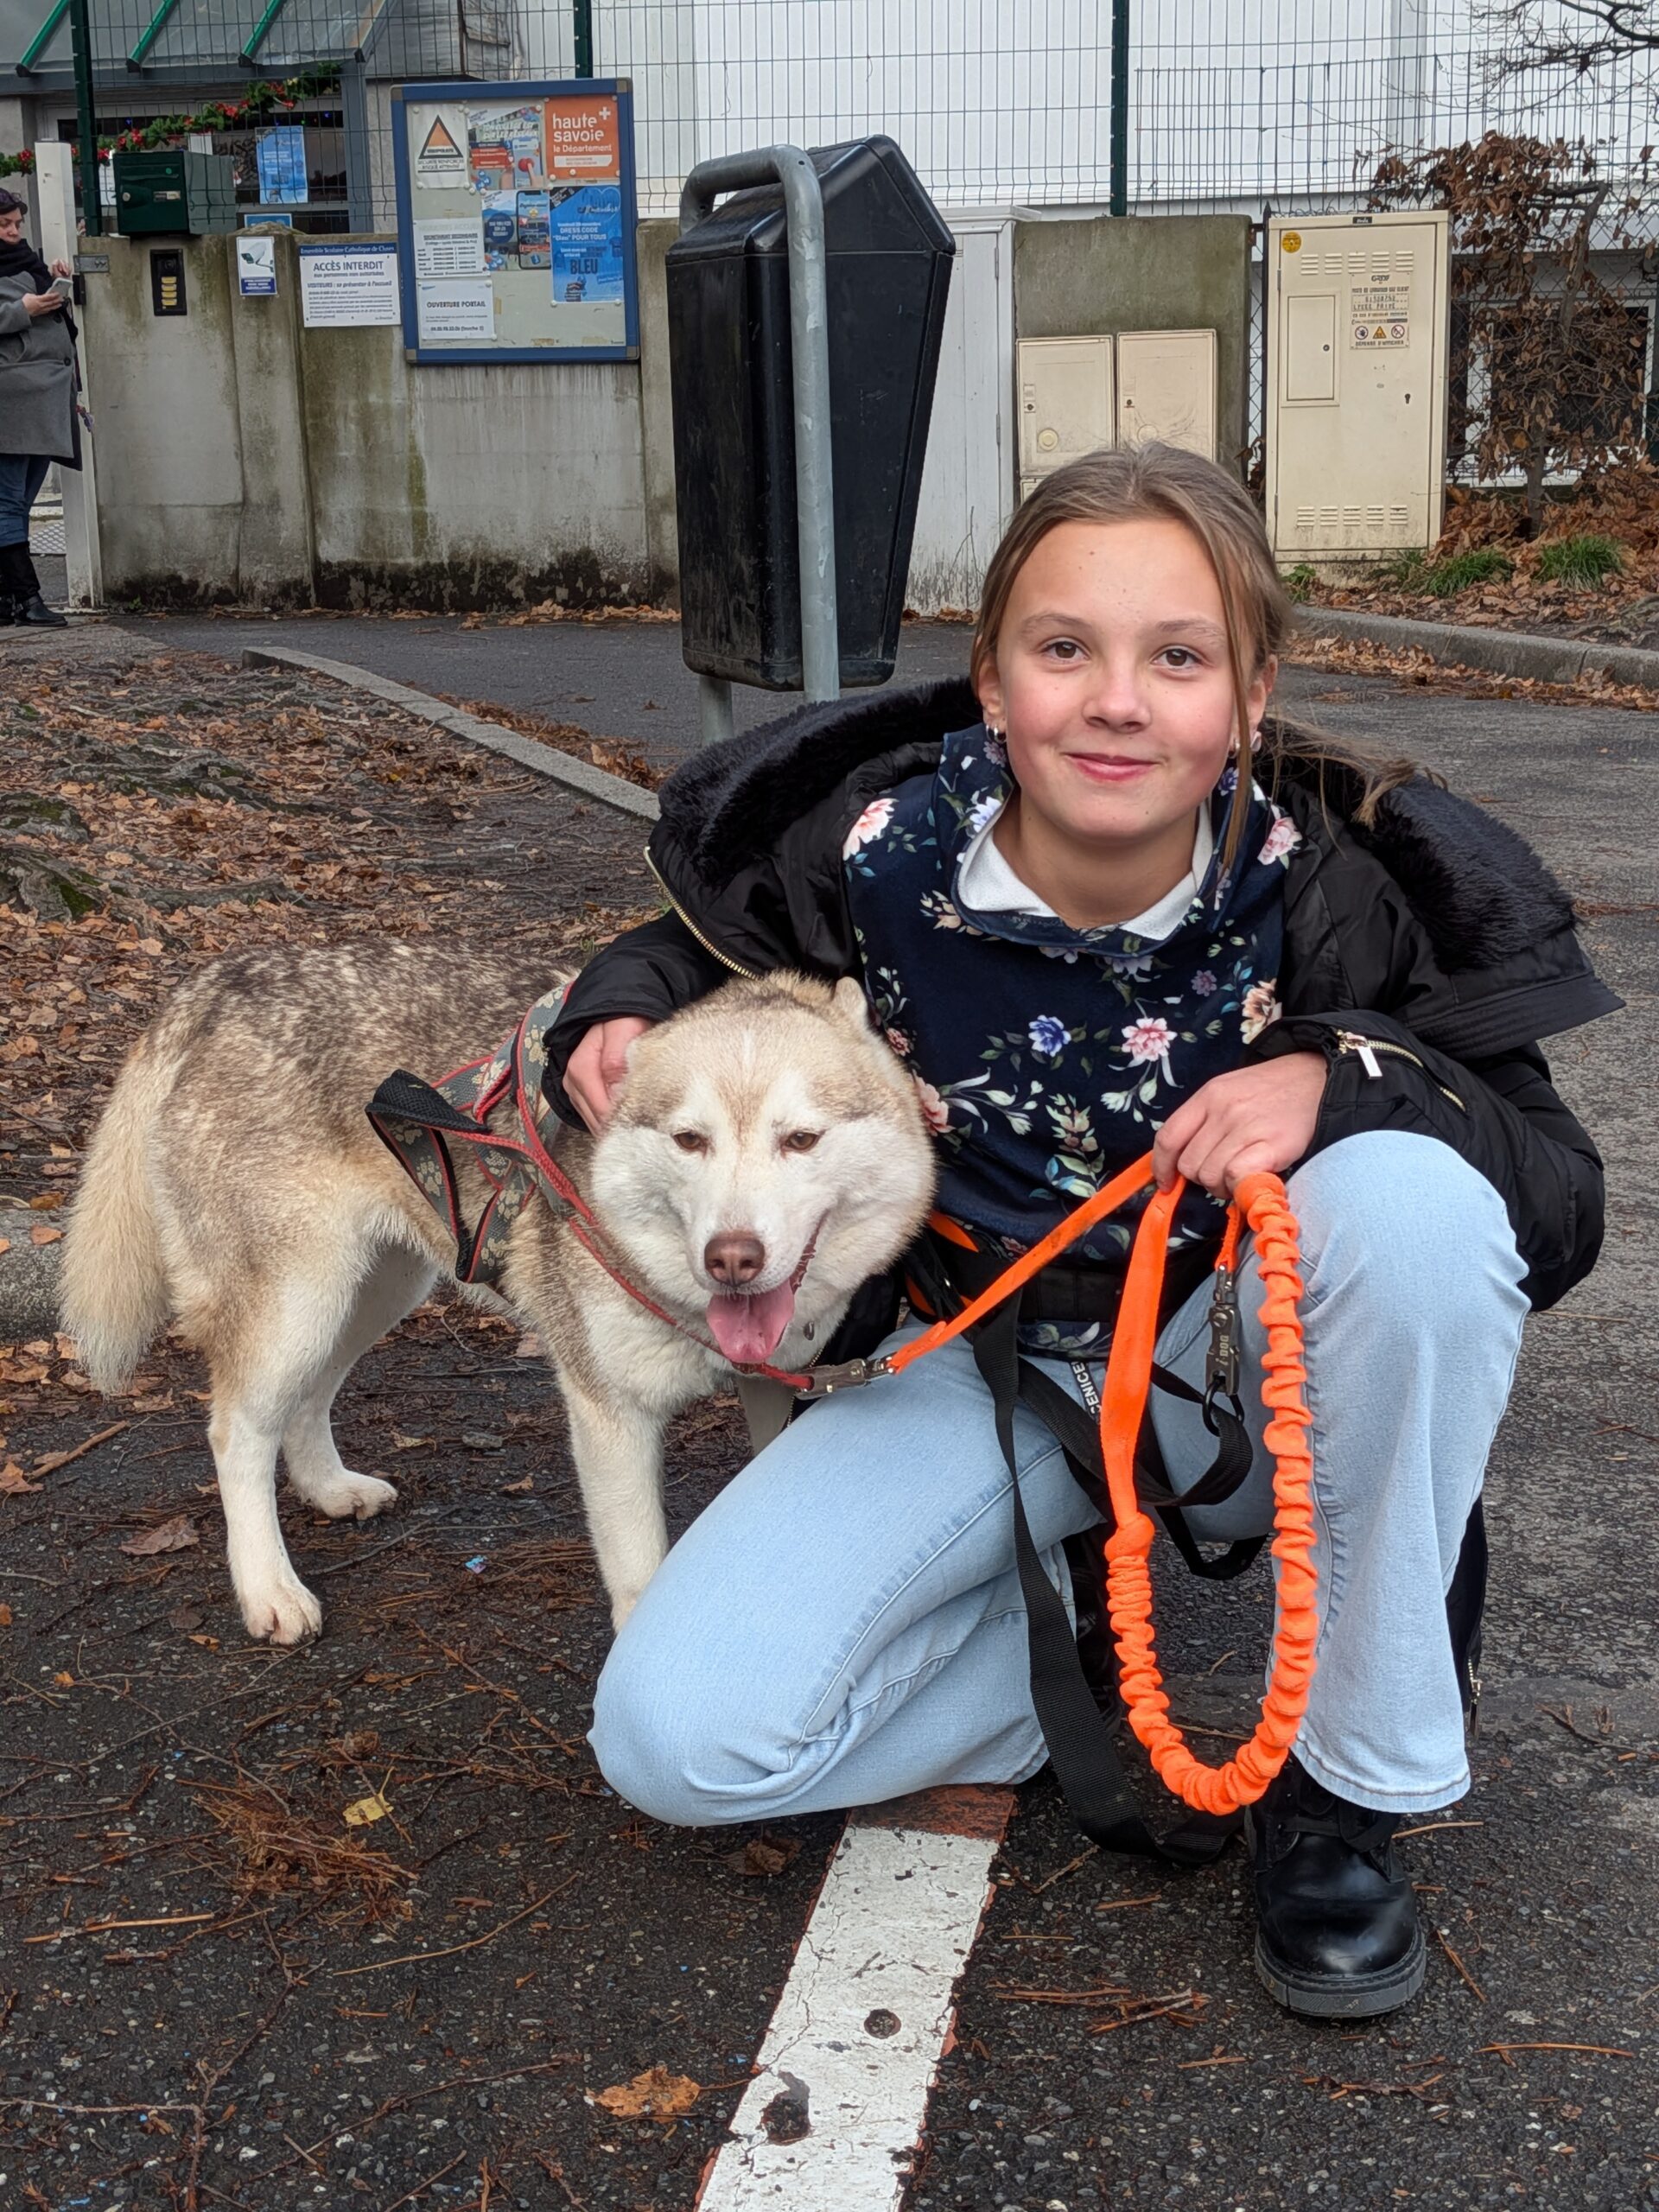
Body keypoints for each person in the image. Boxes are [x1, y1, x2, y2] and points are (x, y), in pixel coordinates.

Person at [542, 444, 1616, 2018]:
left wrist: (1344, 1077)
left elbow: (1557, 1201)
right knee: (678, 1743)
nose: (1118, 702)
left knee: (1413, 1203)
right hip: (977, 1365)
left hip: (1245, 1364)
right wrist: (615, 1007)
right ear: (992, 679)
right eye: (1065, 648)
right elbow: (688, 951)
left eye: (1178, 657)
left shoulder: (1347, 886)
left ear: (1250, 696)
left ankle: (1346, 1785)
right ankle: (1051, 1669)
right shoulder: (869, 853)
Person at [0, 184, 77, 628]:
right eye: (4, 225)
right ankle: (27, 598)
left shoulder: (26, 259)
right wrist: (22, 309)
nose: (14, 232)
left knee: (20, 501)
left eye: (17, 223)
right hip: (12, 397)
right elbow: (17, 311)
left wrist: (53, 280)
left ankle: (7, 598)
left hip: (45, 396)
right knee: (8, 502)